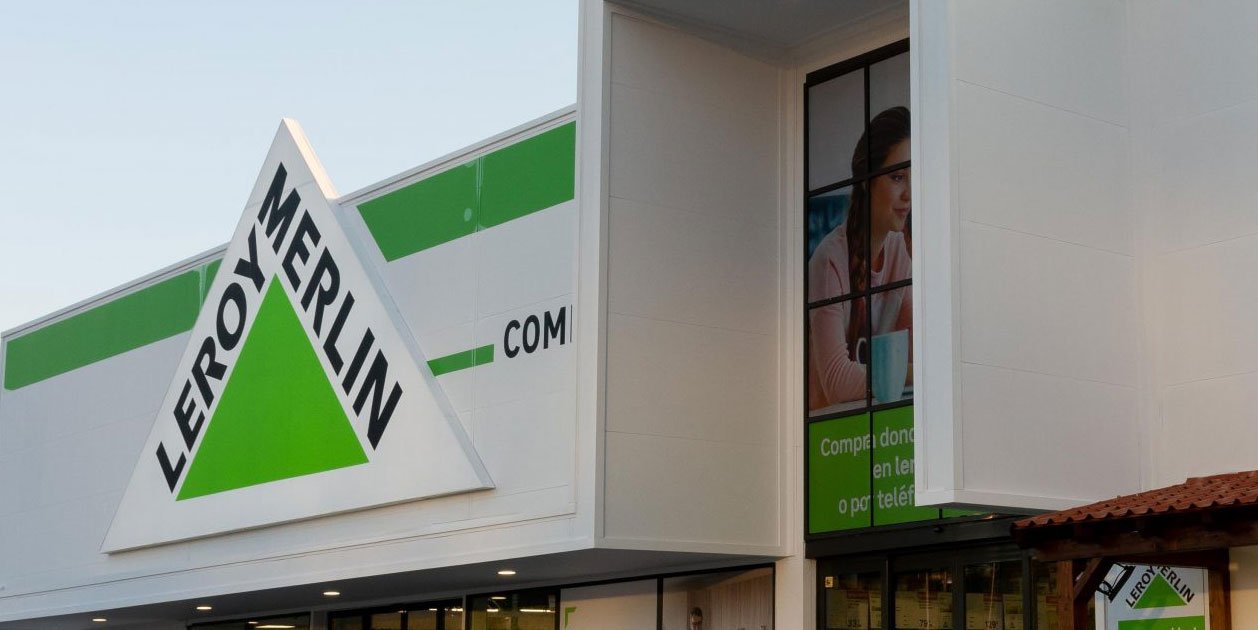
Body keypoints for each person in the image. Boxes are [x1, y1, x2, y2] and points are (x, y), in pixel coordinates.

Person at [808, 106, 912, 413]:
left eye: (913, 177)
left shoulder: (897, 252)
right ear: (867, 181)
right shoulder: (829, 260)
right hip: (828, 435)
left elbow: (913, 352)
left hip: (875, 425)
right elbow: (837, 382)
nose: (909, 193)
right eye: (897, 177)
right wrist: (911, 374)